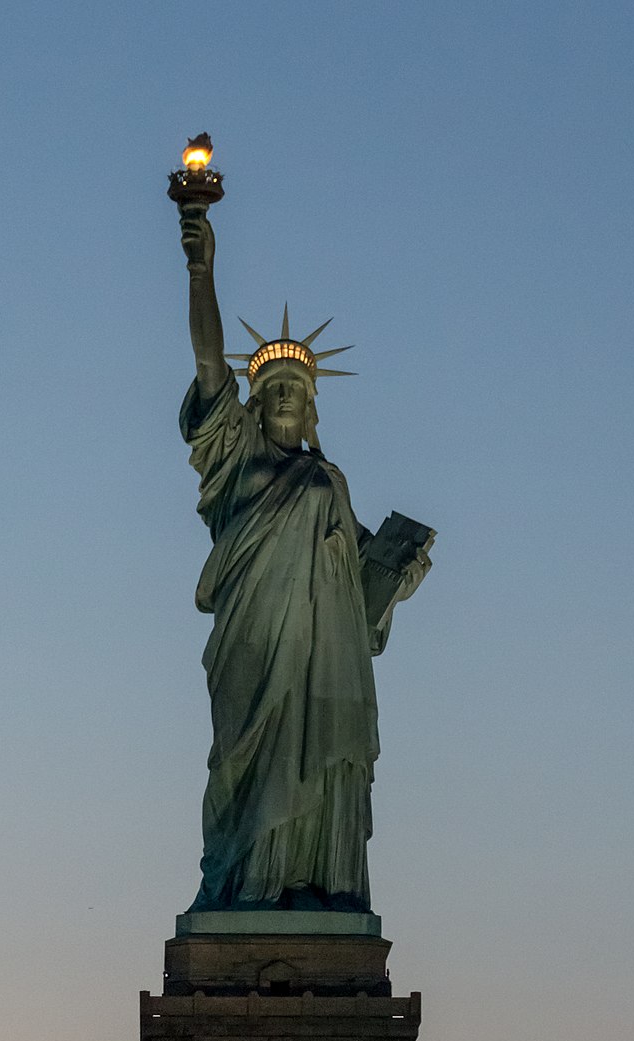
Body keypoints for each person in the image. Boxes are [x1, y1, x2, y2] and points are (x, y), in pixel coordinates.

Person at [178, 202, 430, 913]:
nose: (286, 393)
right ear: (254, 405)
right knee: (247, 762)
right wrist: (202, 267)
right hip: (255, 644)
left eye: (298, 388)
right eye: (273, 387)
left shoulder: (331, 482)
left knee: (322, 757)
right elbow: (206, 367)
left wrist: (394, 582)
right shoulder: (236, 460)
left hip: (327, 659)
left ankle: (316, 883)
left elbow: (356, 592)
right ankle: (246, 886)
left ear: (314, 408)